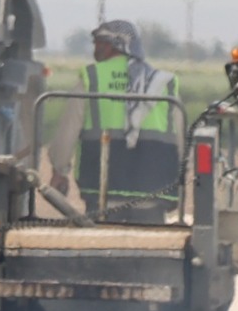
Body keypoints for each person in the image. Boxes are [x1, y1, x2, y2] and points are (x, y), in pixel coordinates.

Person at [45, 19, 182, 221]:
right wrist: (179, 178)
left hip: (102, 189)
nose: (95, 47)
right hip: (153, 191)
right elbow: (180, 138)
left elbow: (68, 130)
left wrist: (59, 170)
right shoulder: (164, 82)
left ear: (112, 45)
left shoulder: (92, 77)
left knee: (101, 239)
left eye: (99, 42)